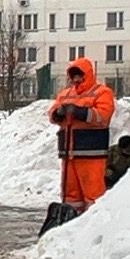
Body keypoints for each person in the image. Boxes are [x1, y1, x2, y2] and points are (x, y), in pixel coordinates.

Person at [48, 57, 116, 213]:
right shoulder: (65, 94)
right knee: (70, 195)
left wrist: (79, 112)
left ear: (87, 74)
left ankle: (94, 221)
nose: (76, 79)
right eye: (74, 76)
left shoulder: (102, 92)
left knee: (93, 193)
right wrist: (58, 113)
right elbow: (52, 114)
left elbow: (103, 117)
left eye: (79, 75)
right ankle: (71, 220)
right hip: (68, 151)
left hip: (91, 151)